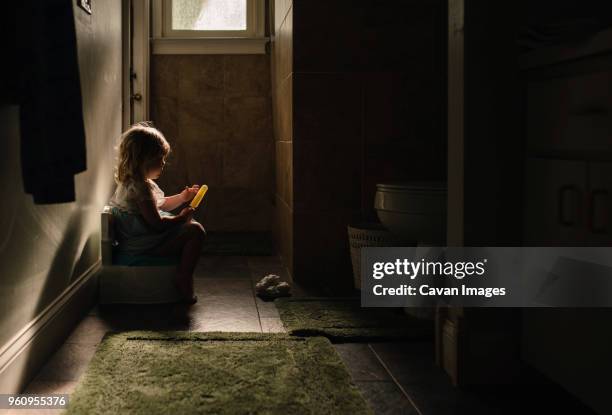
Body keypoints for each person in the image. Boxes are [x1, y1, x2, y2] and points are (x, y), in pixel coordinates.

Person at [109, 122, 205, 304]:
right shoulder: (141, 188)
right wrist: (181, 218)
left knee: (188, 228)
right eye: (160, 158)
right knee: (196, 231)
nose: (163, 163)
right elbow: (157, 224)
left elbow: (160, 206)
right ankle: (183, 276)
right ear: (143, 159)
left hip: (140, 240)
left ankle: (181, 273)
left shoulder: (133, 183)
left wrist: (182, 197)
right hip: (146, 246)